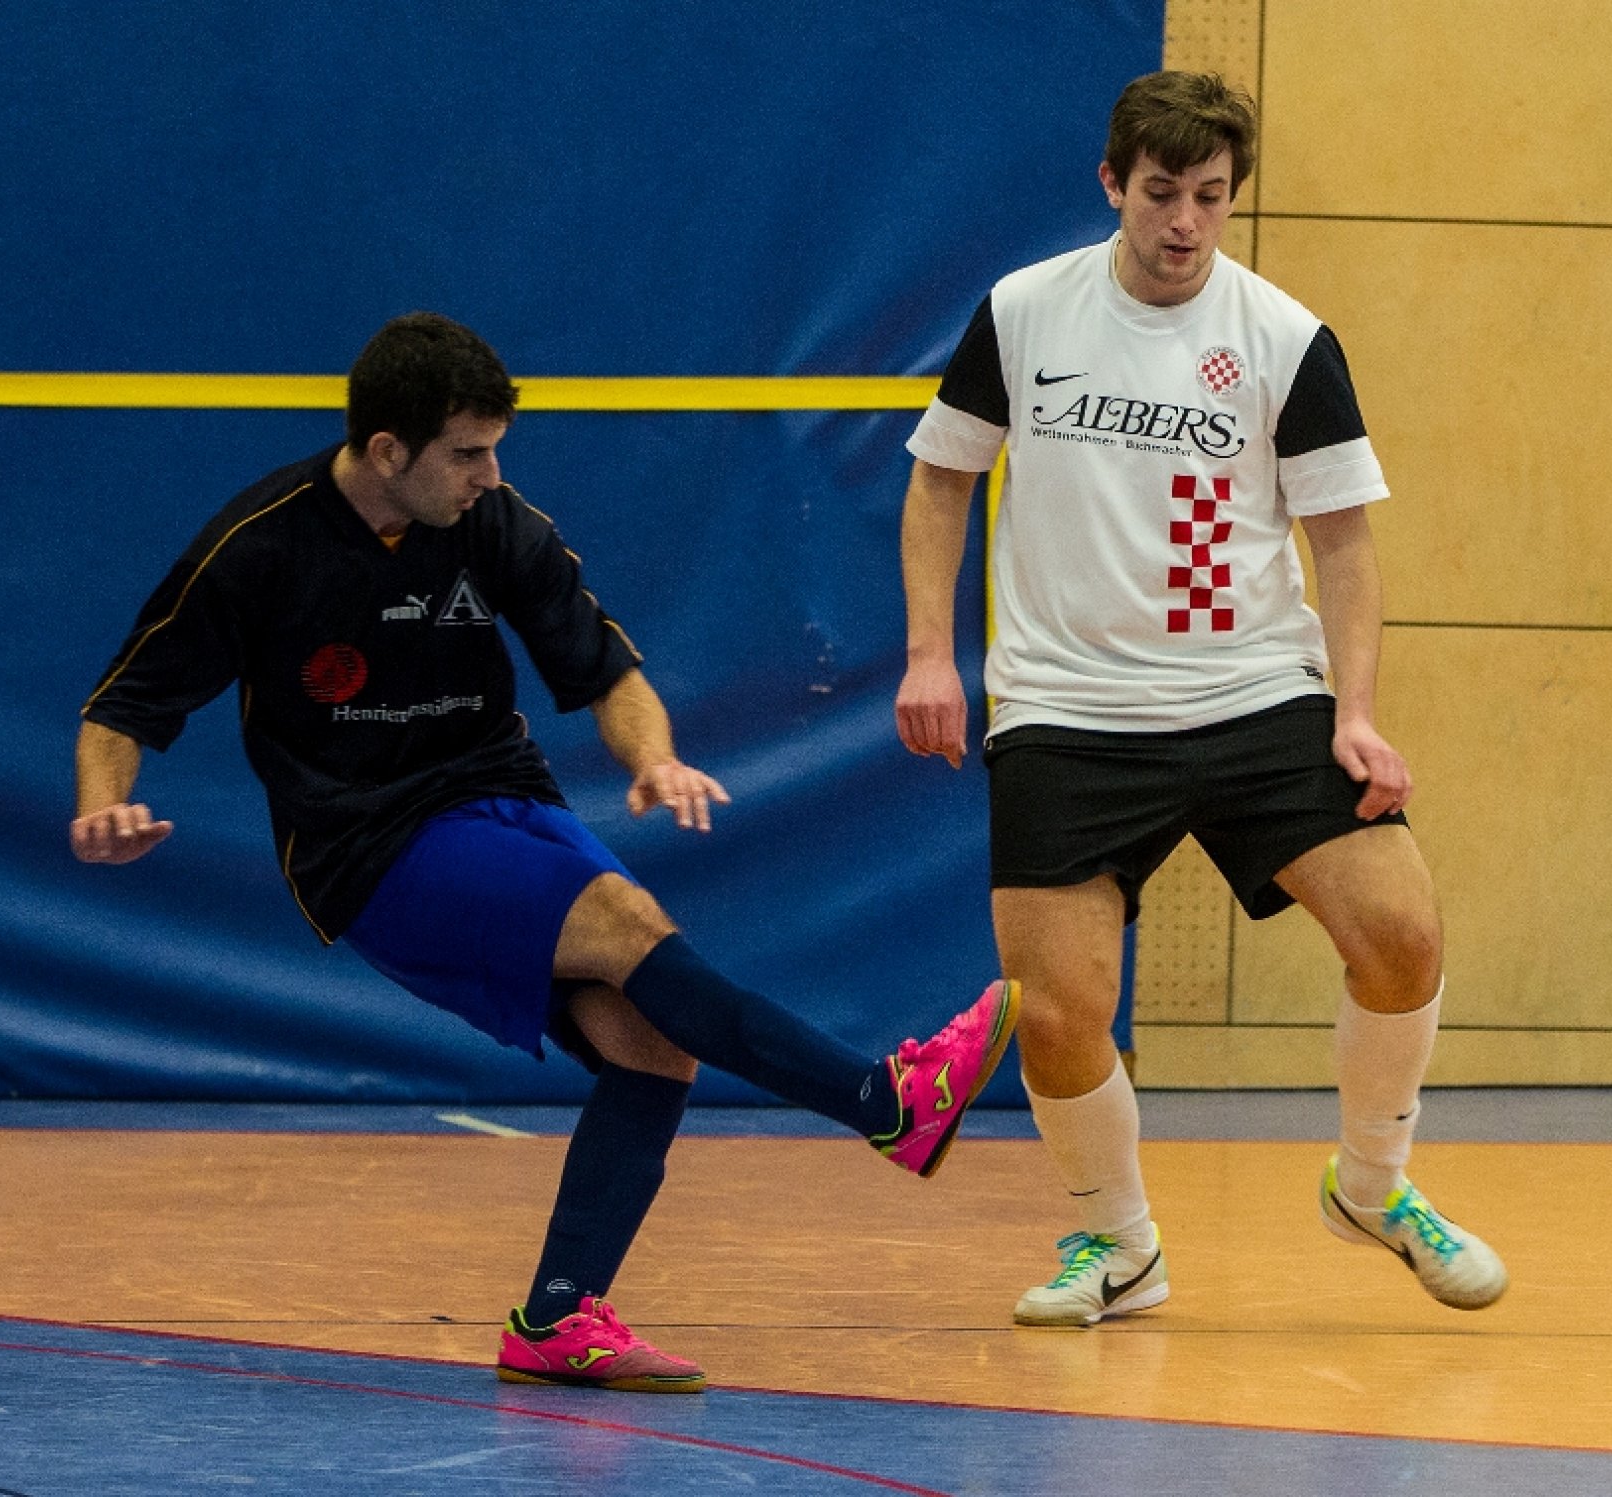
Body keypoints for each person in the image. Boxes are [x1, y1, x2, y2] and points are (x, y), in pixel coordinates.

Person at [74, 311, 1018, 1390]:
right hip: (365, 842)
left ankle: (558, 1318)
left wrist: (653, 758)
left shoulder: (491, 521)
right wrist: (104, 807)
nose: (489, 473)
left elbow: (605, 670)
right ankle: (884, 1103)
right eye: (467, 452)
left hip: (499, 796)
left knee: (653, 1043)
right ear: (387, 450)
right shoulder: (259, 547)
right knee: (627, 926)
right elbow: (124, 705)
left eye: (493, 450)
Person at [893, 72, 1505, 1328]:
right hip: (1065, 706)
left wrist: (1353, 712)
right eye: (1161, 192)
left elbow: (1343, 545)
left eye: (1210, 198)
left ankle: (1372, 1186)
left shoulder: (1283, 338)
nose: (1184, 222)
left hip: (1252, 692)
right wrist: (928, 656)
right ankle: (1118, 1247)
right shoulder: (1023, 312)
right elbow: (942, 481)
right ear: (1112, 183)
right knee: (1059, 1013)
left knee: (1401, 932)